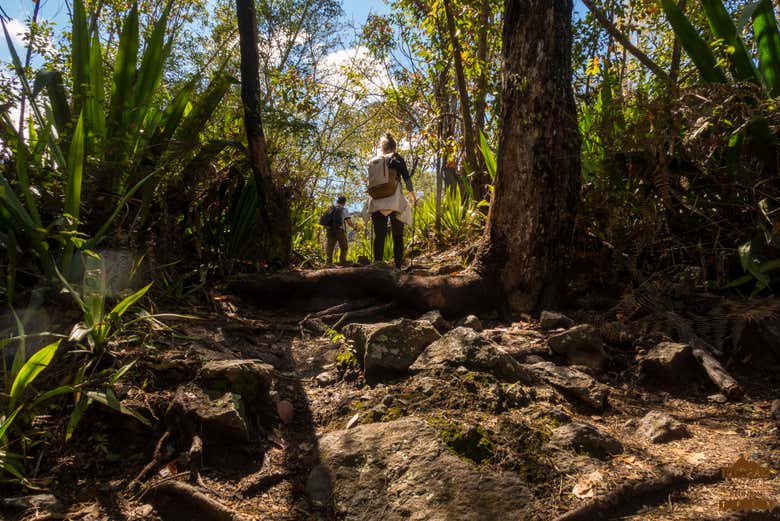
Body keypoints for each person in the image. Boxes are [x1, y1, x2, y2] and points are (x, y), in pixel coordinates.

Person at [368, 132, 415, 268]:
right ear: (394, 147)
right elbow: (407, 179)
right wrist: (413, 197)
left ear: (383, 148)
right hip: (394, 200)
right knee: (397, 235)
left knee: (379, 235)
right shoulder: (397, 158)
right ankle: (398, 266)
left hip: (376, 201)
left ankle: (377, 265)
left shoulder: (375, 160)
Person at [326, 196, 355, 265]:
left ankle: (328, 262)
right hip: (339, 230)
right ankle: (342, 261)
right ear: (344, 202)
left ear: (337, 201)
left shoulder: (331, 209)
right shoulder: (344, 209)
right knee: (344, 246)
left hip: (330, 230)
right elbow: (348, 221)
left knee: (330, 246)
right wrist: (354, 227)